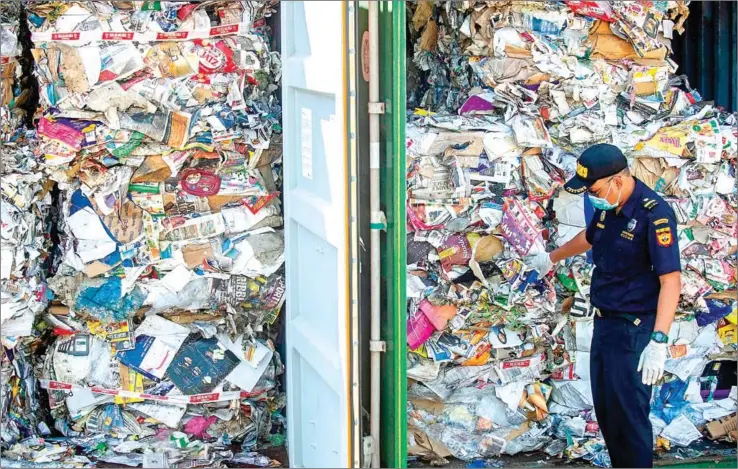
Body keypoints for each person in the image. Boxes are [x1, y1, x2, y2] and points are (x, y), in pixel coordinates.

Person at [528, 144, 681, 468]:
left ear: (617, 180)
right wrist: (550, 258)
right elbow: (591, 235)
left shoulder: (654, 214)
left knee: (629, 419)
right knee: (609, 413)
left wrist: (659, 341)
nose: (592, 197)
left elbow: (671, 280)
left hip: (634, 331)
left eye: (594, 190)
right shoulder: (610, 205)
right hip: (606, 324)